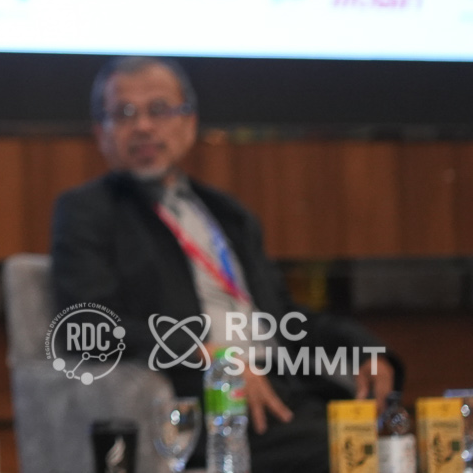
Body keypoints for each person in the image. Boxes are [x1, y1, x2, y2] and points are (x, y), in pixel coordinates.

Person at [52, 56, 391, 473]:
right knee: (351, 453)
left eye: (158, 110)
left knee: (401, 439)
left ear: (189, 122)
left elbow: (284, 316)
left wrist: (366, 351)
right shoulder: (88, 212)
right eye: (124, 114)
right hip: (210, 403)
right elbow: (85, 325)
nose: (143, 126)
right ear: (101, 132)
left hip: (285, 389)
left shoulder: (227, 213)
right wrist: (206, 355)